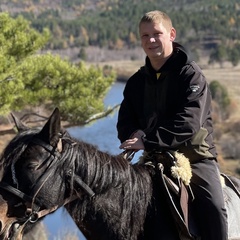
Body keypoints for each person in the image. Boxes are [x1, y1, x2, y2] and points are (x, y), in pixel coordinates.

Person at [116, 10, 227, 240]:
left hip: (196, 158)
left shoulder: (191, 76)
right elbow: (125, 120)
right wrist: (132, 133)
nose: (151, 40)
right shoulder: (136, 82)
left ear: (172, 34)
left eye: (157, 33)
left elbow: (188, 123)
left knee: (214, 207)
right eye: (145, 36)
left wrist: (146, 140)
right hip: (153, 159)